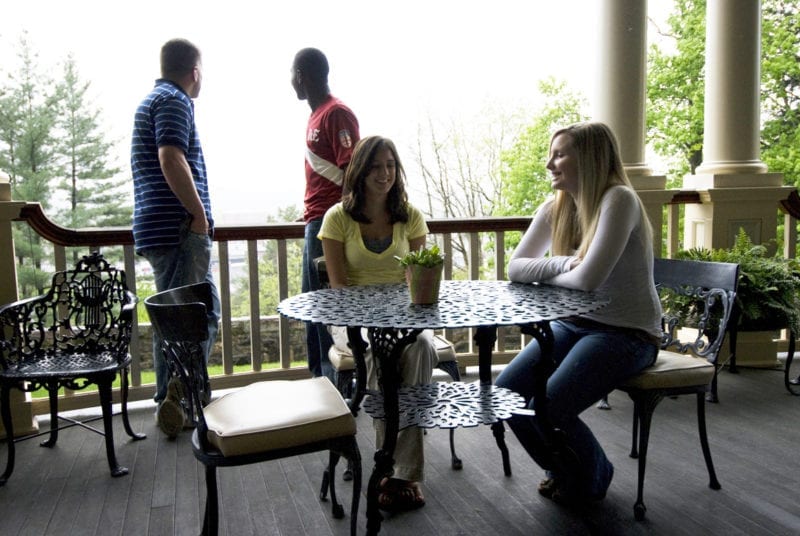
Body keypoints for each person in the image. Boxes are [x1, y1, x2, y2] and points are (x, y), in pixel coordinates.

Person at [495, 122, 662, 504]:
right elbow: (516, 268)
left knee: (549, 407)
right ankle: (565, 468)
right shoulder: (556, 207)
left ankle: (591, 477)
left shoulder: (618, 199)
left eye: (559, 154)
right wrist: (566, 263)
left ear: (587, 159)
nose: (548, 163)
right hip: (573, 326)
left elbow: (590, 280)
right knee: (507, 395)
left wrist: (566, 270)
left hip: (626, 333)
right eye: (551, 154)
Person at [319, 135, 436, 513]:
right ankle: (397, 470)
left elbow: (422, 278)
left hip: (406, 316)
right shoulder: (338, 218)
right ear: (360, 171)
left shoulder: (410, 216)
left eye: (390, 165)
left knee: (421, 347)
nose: (384, 173)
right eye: (375, 166)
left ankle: (399, 472)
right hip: (353, 319)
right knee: (380, 353)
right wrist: (373, 320)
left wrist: (407, 315)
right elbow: (338, 289)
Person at [131, 38, 220, 438]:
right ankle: (183, 396)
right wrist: (198, 215)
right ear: (194, 72)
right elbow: (171, 157)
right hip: (179, 227)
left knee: (172, 318)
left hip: (155, 226)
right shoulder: (174, 101)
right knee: (200, 315)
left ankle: (171, 399)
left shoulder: (150, 100)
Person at [291, 47, 360, 380]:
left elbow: (352, 172)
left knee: (324, 307)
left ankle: (330, 384)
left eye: (293, 75)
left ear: (302, 75)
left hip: (328, 224)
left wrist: (335, 221)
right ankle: (320, 381)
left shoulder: (336, 113)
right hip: (315, 218)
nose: (291, 83)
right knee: (312, 306)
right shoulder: (315, 114)